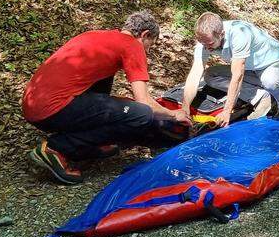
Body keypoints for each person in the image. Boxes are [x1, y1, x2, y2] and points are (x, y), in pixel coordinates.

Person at [22, 11, 189, 185]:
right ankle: (56, 148)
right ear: (145, 35)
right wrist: (174, 115)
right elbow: (144, 103)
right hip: (53, 109)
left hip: (32, 106)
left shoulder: (97, 36)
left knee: (107, 80)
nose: (147, 50)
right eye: (150, 45)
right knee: (142, 115)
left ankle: (88, 145)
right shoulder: (132, 45)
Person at [178, 13, 279, 126]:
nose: (206, 48)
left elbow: (237, 75)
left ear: (221, 34)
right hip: (253, 70)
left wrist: (227, 111)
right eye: (202, 43)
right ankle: (262, 97)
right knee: (211, 75)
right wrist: (185, 107)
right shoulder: (205, 41)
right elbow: (195, 74)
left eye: (210, 44)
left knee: (270, 81)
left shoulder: (239, 34)